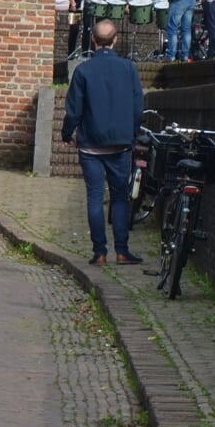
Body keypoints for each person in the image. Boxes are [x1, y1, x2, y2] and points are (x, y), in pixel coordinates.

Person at [60, 20, 145, 267]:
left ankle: (99, 253)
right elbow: (138, 107)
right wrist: (132, 132)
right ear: (115, 40)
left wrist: (67, 134)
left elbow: (74, 110)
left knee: (95, 197)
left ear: (94, 41)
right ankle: (122, 251)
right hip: (120, 145)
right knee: (120, 197)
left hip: (90, 146)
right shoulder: (128, 69)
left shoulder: (83, 71)